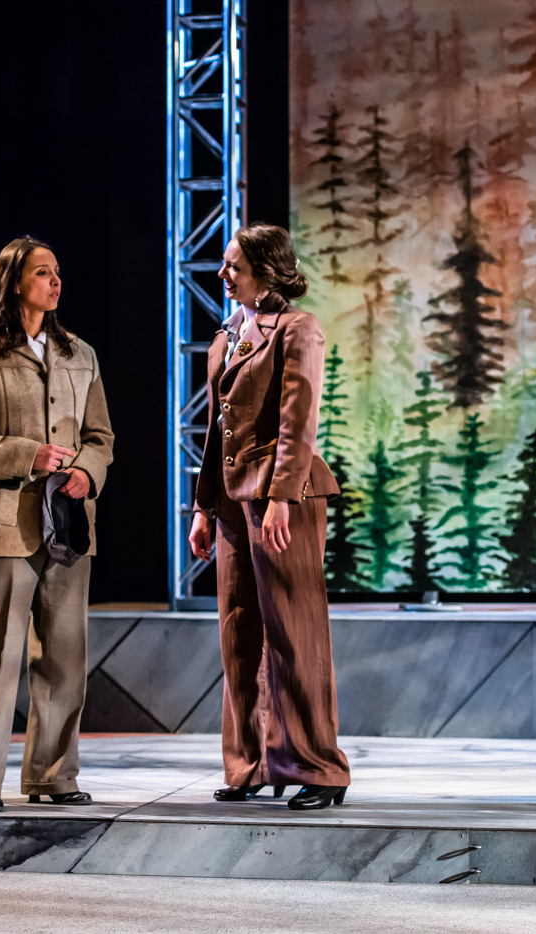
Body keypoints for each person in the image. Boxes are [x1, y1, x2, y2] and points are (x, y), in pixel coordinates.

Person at [0, 236, 114, 811]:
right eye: (43, 272)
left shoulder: (81, 354)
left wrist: (87, 471)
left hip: (68, 522)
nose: (55, 281)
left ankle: (54, 776)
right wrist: (28, 455)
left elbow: (101, 437)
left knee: (64, 657)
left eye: (57, 271)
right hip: (4, 524)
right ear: (14, 281)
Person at [188, 223, 351, 810]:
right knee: (239, 631)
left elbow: (296, 419)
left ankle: (319, 768)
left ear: (266, 271)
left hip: (284, 496)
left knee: (294, 630)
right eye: (224, 263)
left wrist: (281, 496)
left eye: (234, 265)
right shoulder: (229, 334)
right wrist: (204, 507)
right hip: (234, 501)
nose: (222, 274)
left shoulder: (297, 328)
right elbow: (218, 432)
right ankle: (251, 763)